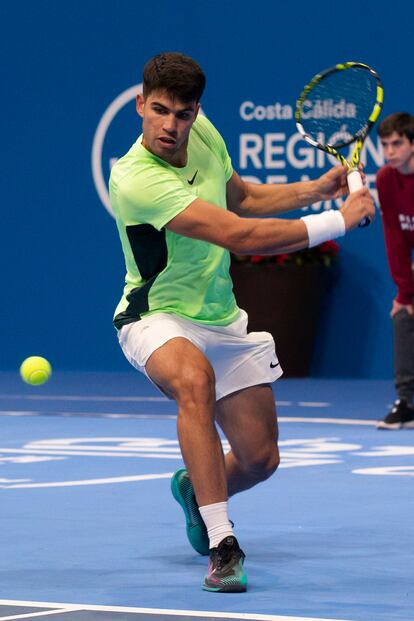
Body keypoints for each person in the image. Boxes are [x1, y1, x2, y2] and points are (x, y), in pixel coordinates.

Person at [109, 52, 375, 592]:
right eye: (158, 110)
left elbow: (244, 197)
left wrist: (312, 191)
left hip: (222, 318)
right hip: (156, 315)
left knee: (259, 459)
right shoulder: (135, 177)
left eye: (181, 115)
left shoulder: (203, 134)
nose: (170, 125)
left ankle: (194, 488)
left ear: (196, 112)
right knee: (194, 381)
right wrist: (338, 221)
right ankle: (223, 543)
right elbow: (237, 234)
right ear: (140, 105)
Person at [376, 112, 414, 430]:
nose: (390, 152)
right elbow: (395, 238)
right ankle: (406, 402)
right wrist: (404, 293)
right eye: (385, 145)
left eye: (397, 143)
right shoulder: (385, 180)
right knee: (402, 313)